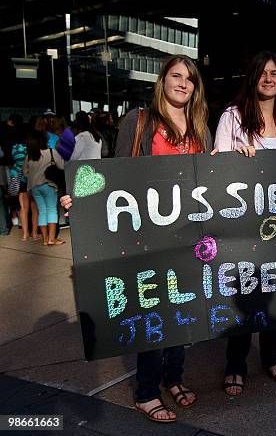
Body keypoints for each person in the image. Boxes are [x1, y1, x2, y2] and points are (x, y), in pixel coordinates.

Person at [61, 55, 212, 423]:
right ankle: (146, 392)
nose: (182, 83)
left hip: (187, 237)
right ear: (163, 81)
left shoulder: (200, 127)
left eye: (189, 79)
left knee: (183, 309)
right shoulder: (140, 120)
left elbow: (210, 178)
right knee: (155, 312)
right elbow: (113, 172)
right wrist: (81, 199)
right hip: (146, 236)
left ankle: (173, 378)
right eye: (176, 76)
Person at [215, 51, 276, 396]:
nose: (269, 78)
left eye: (274, 73)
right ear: (252, 78)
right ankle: (235, 364)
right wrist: (234, 160)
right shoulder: (232, 118)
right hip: (243, 223)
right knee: (242, 293)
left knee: (274, 290)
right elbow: (217, 169)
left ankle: (271, 355)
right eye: (262, 73)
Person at [23, 129, 64, 245]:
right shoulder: (51, 152)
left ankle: (45, 239)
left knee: (42, 211)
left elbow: (25, 173)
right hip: (48, 185)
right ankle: (52, 239)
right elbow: (62, 166)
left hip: (34, 187)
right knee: (51, 210)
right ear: (44, 140)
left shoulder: (29, 156)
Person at [11, 127, 40, 241]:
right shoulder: (30, 147)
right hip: (30, 178)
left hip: (19, 178)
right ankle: (34, 233)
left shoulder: (14, 148)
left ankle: (25, 234)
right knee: (34, 206)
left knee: (23, 207)